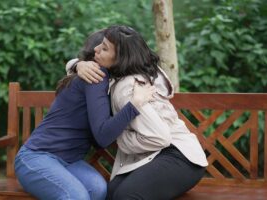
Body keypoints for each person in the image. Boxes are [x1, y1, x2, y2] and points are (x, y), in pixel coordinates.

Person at [68, 25, 208, 200]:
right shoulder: (122, 75)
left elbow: (159, 137)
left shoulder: (129, 88)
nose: (96, 49)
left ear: (120, 59)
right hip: (158, 155)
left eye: (104, 48)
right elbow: (80, 65)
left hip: (180, 157)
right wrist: (78, 64)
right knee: (112, 193)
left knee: (126, 196)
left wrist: (120, 138)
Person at [14, 28, 156, 200]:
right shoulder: (96, 76)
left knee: (98, 190)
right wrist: (134, 105)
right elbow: (103, 136)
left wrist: (76, 64)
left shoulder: (107, 80)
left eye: (104, 48)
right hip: (36, 157)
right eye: (98, 46)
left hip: (69, 161)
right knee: (77, 197)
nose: (97, 50)